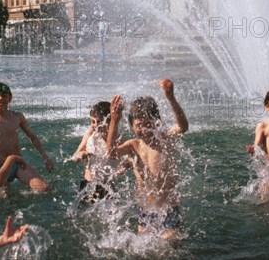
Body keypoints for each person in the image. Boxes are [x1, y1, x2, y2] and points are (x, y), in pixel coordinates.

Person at [106, 79, 189, 240]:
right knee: (144, 247)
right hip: (145, 210)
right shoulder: (133, 145)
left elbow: (183, 127)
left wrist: (171, 99)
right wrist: (114, 122)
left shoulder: (166, 139)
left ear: (157, 122)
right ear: (132, 125)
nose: (144, 129)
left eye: (149, 124)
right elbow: (112, 153)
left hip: (168, 209)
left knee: (168, 244)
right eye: (139, 125)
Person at [0, 82, 54, 193]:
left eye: (4, 95)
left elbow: (32, 137)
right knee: (3, 201)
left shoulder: (17, 117)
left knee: (44, 189)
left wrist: (45, 157)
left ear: (10, 98)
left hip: (17, 164)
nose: (0, 98)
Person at [72, 101, 123, 202]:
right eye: (92, 121)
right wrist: (81, 154)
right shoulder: (90, 134)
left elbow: (127, 159)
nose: (95, 125)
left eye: (98, 121)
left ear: (108, 121)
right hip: (88, 184)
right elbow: (75, 156)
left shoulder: (117, 140)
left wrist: (123, 166)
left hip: (108, 186)